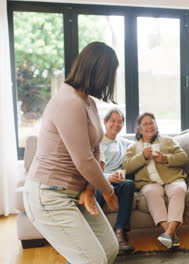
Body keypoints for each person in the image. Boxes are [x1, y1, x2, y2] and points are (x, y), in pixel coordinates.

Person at [22, 42, 120, 264]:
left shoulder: (89, 103)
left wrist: (89, 188)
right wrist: (108, 191)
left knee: (109, 249)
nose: (110, 81)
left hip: (75, 192)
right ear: (97, 71)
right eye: (110, 74)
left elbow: (96, 148)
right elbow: (84, 160)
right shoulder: (68, 102)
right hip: (49, 194)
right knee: (94, 260)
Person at [123, 112, 188, 249]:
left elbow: (183, 157)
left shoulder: (168, 141)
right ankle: (170, 234)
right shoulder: (133, 147)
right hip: (148, 183)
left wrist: (166, 159)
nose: (149, 126)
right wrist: (142, 156)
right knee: (152, 193)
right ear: (139, 129)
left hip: (173, 178)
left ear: (156, 126)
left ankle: (169, 233)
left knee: (179, 189)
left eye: (151, 122)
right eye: (145, 124)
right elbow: (127, 167)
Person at [95, 108, 135, 252]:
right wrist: (107, 177)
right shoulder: (96, 143)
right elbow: (92, 169)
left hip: (119, 182)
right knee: (98, 189)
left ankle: (120, 233)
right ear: (105, 122)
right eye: (113, 121)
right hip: (100, 181)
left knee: (129, 184)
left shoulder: (126, 143)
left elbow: (133, 160)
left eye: (120, 121)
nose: (117, 124)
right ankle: (96, 236)